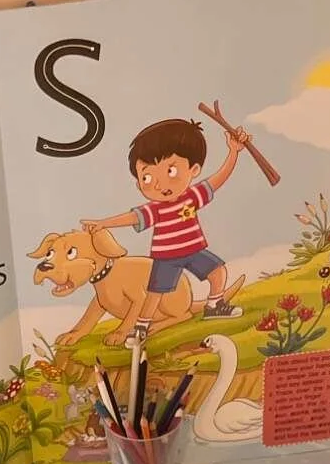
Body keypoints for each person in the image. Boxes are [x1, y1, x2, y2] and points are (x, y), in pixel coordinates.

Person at [82, 116, 245, 336]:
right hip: (166, 257)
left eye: (170, 171)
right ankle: (141, 326)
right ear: (138, 182)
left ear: (194, 169)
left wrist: (233, 152)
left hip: (193, 251)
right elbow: (131, 218)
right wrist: (103, 224)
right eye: (147, 177)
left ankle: (214, 305)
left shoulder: (192, 196)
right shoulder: (155, 209)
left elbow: (219, 178)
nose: (159, 184)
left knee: (217, 272)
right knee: (155, 293)